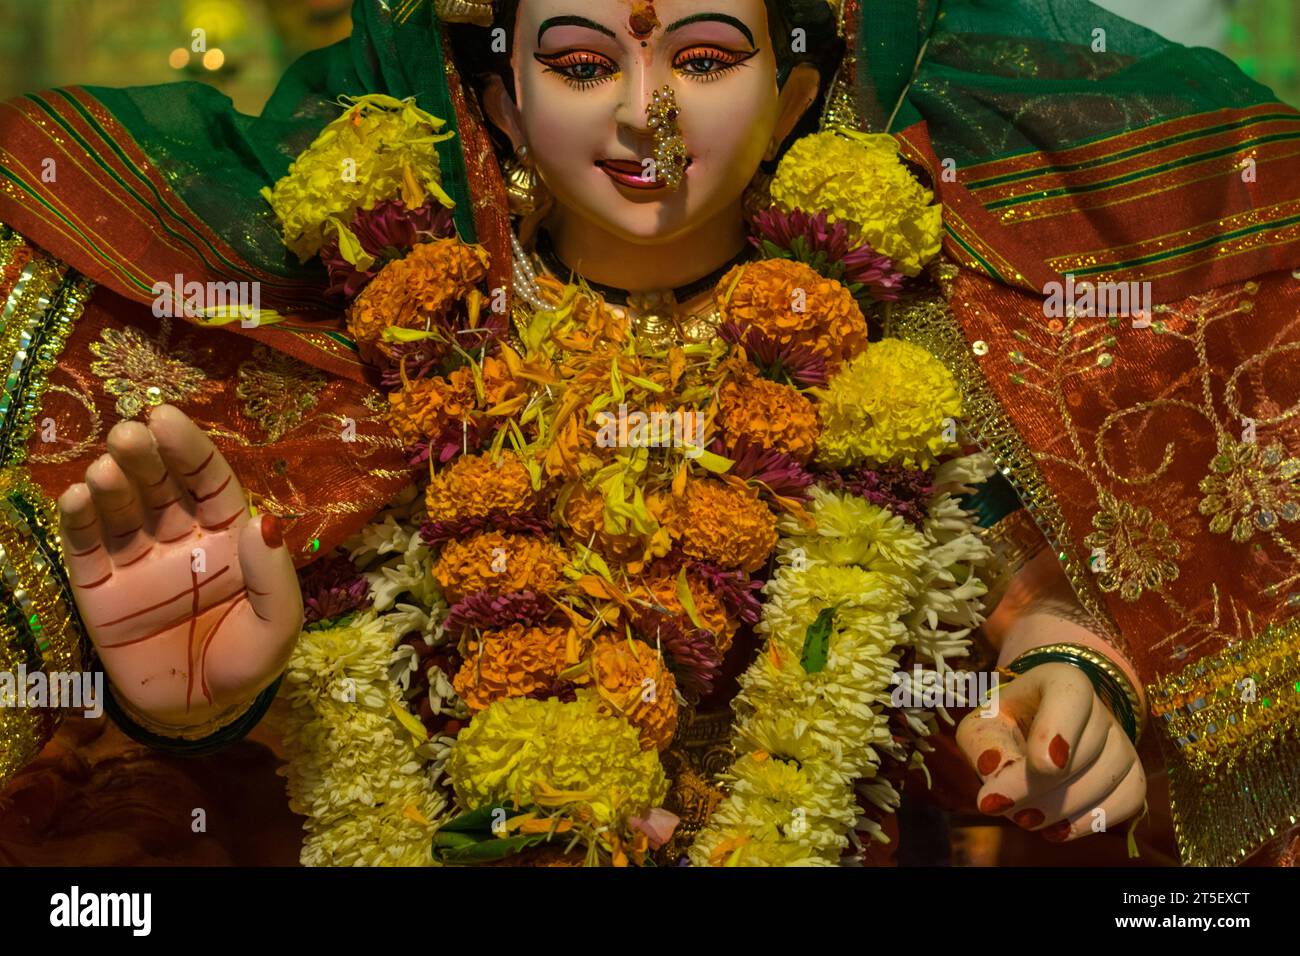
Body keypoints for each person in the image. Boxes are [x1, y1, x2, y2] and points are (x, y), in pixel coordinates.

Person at [0, 0, 1296, 867]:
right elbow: (250, 688)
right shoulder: (373, 343)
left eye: (703, 59)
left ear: (795, 95)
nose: (644, 118)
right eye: (579, 66)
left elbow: (1015, 604)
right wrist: (209, 714)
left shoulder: (892, 338)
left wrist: (1066, 698)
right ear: (499, 101)